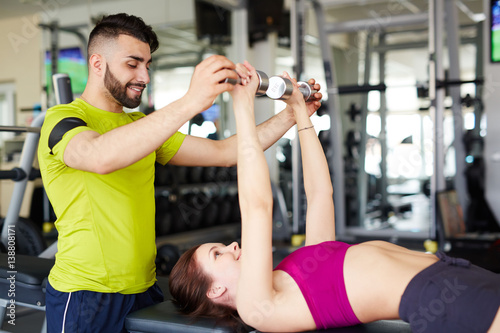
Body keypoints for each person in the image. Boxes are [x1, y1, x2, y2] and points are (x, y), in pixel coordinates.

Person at [37, 13, 322, 333]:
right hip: (86, 294)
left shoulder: (138, 126)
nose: (144, 75)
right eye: (133, 64)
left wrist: (293, 114)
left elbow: (227, 153)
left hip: (144, 289)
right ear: (97, 63)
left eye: (147, 64)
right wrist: (191, 101)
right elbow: (99, 156)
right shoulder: (63, 119)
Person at [168, 61, 500, 333]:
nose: (232, 246)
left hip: (457, 272)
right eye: (218, 253)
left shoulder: (296, 272)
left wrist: (300, 113)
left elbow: (320, 194)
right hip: (441, 296)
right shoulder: (258, 309)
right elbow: (257, 207)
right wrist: (241, 107)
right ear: (216, 291)